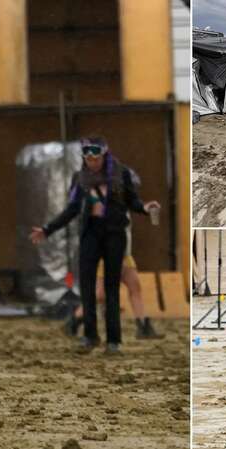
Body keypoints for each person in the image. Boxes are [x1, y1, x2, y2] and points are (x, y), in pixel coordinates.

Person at [30, 137, 159, 354]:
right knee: (88, 289)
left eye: (95, 156)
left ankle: (113, 341)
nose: (92, 161)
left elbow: (133, 202)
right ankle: (90, 336)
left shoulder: (121, 174)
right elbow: (71, 210)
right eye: (87, 157)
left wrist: (146, 208)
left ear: (104, 155)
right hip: (90, 234)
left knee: (111, 288)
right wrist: (47, 229)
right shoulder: (79, 179)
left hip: (115, 235)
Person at [62, 226, 162, 340]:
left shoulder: (124, 209)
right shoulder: (103, 209)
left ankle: (143, 326)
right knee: (100, 295)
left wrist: (146, 208)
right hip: (107, 255)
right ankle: (74, 322)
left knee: (135, 288)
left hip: (125, 255)